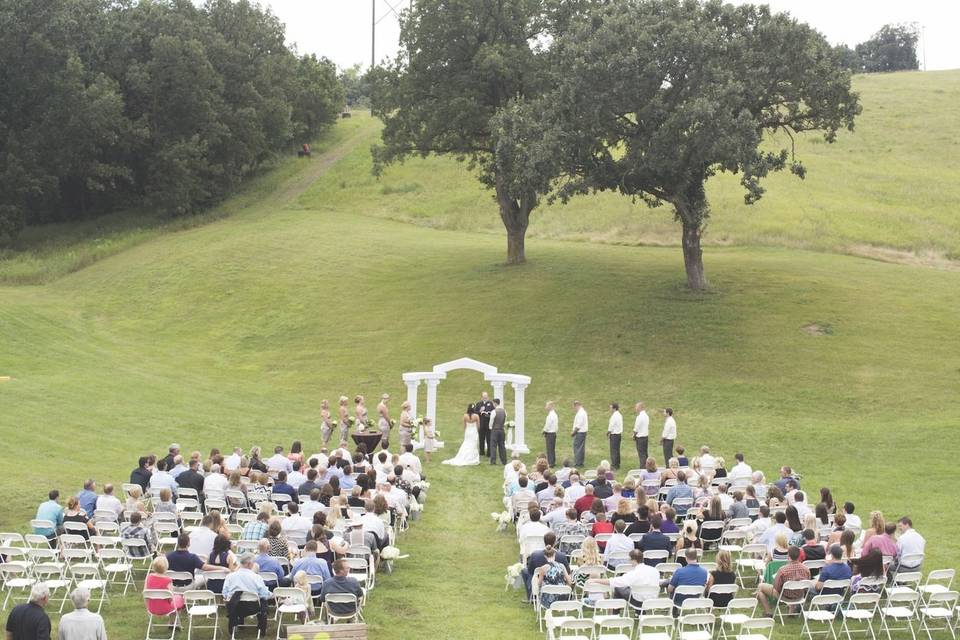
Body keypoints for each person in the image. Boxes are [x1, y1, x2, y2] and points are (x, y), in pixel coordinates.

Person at [222, 554, 270, 636]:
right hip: (253, 608)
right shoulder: (256, 577)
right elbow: (264, 595)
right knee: (263, 601)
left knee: (236, 598)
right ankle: (262, 628)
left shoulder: (230, 576)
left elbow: (225, 593)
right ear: (249, 564)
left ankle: (237, 624)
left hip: (234, 608)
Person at [755, 546, 811, 615]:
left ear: (788, 556)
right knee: (794, 586)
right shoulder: (806, 569)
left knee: (760, 587)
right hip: (800, 595)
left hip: (785, 597)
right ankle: (791, 612)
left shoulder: (783, 570)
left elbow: (776, 587)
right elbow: (807, 584)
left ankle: (768, 612)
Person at [569, 400, 588, 468]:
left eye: (574, 407)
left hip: (579, 433)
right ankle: (580, 462)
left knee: (577, 448)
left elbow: (579, 425)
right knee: (581, 448)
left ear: (577, 405)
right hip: (582, 432)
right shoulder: (583, 412)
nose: (574, 409)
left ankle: (578, 463)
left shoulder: (580, 413)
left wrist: (573, 433)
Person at [488, 399, 508, 465]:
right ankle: (504, 461)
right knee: (502, 445)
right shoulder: (504, 411)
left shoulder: (494, 411)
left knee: (493, 446)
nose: (493, 405)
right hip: (502, 430)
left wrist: (490, 428)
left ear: (495, 403)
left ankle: (493, 461)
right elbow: (505, 419)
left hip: (495, 430)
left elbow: (491, 421)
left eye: (493, 403)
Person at [632, 402, 650, 467]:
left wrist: (633, 435)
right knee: (645, 453)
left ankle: (642, 467)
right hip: (645, 437)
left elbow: (636, 428)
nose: (635, 408)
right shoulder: (646, 416)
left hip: (640, 437)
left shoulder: (639, 417)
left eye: (636, 407)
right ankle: (648, 466)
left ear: (640, 408)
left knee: (641, 454)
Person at [606, 402, 623, 470]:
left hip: (614, 434)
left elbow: (611, 425)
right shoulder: (619, 415)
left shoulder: (614, 416)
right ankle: (617, 463)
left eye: (611, 408)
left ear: (614, 408)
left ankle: (614, 465)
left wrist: (608, 432)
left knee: (613, 450)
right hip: (618, 434)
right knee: (617, 450)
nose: (610, 409)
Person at [542, 401, 558, 467]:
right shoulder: (555, 414)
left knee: (549, 449)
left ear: (550, 406)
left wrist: (544, 430)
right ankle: (553, 461)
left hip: (550, 433)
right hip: (553, 433)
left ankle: (551, 463)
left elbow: (548, 425)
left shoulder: (550, 415)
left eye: (547, 405)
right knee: (552, 448)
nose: (546, 407)